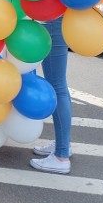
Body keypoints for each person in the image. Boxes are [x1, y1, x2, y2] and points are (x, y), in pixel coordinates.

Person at [29, 17, 73, 174]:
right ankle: (64, 145)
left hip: (54, 21)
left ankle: (61, 156)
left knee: (57, 86)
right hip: (57, 20)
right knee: (60, 85)